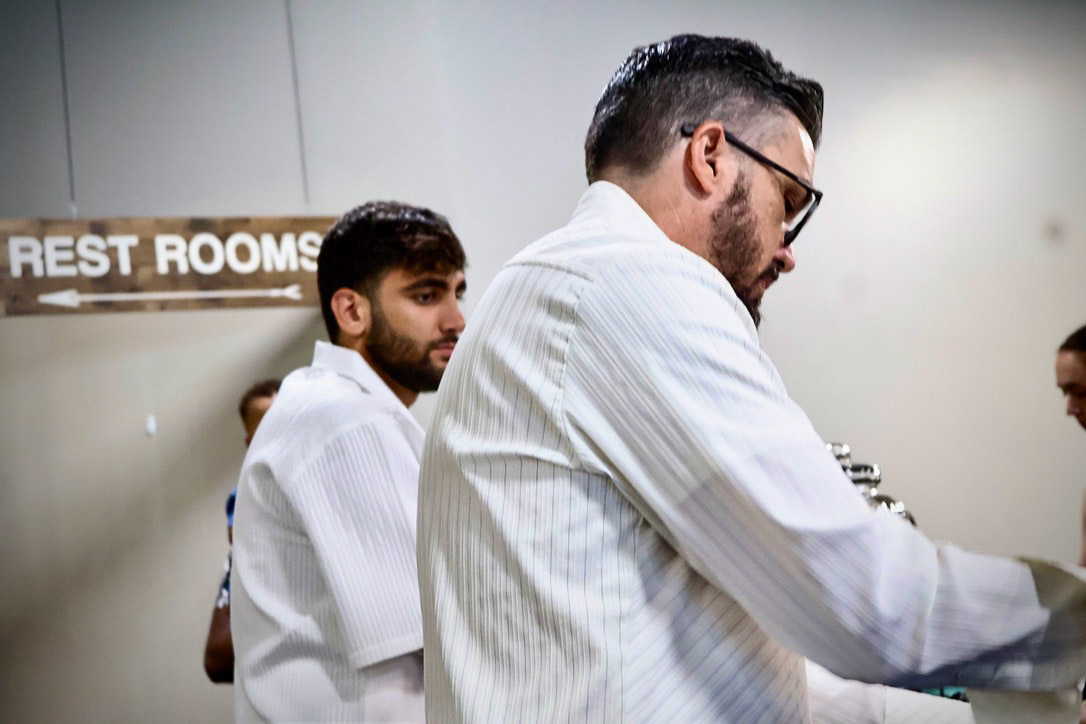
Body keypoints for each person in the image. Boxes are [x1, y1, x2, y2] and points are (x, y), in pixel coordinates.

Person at [417, 35, 1086, 722]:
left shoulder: (554, 283)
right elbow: (863, 599)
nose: (788, 252)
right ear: (710, 155)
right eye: (787, 201)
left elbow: (734, 665)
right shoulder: (633, 280)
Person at [231, 201, 467, 721]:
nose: (456, 321)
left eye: (457, 292)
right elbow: (425, 642)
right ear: (352, 312)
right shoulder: (348, 419)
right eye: (426, 296)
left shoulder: (324, 402)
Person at [202, 378, 279, 684]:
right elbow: (240, 539)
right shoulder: (248, 490)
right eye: (266, 427)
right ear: (250, 441)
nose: (278, 433)